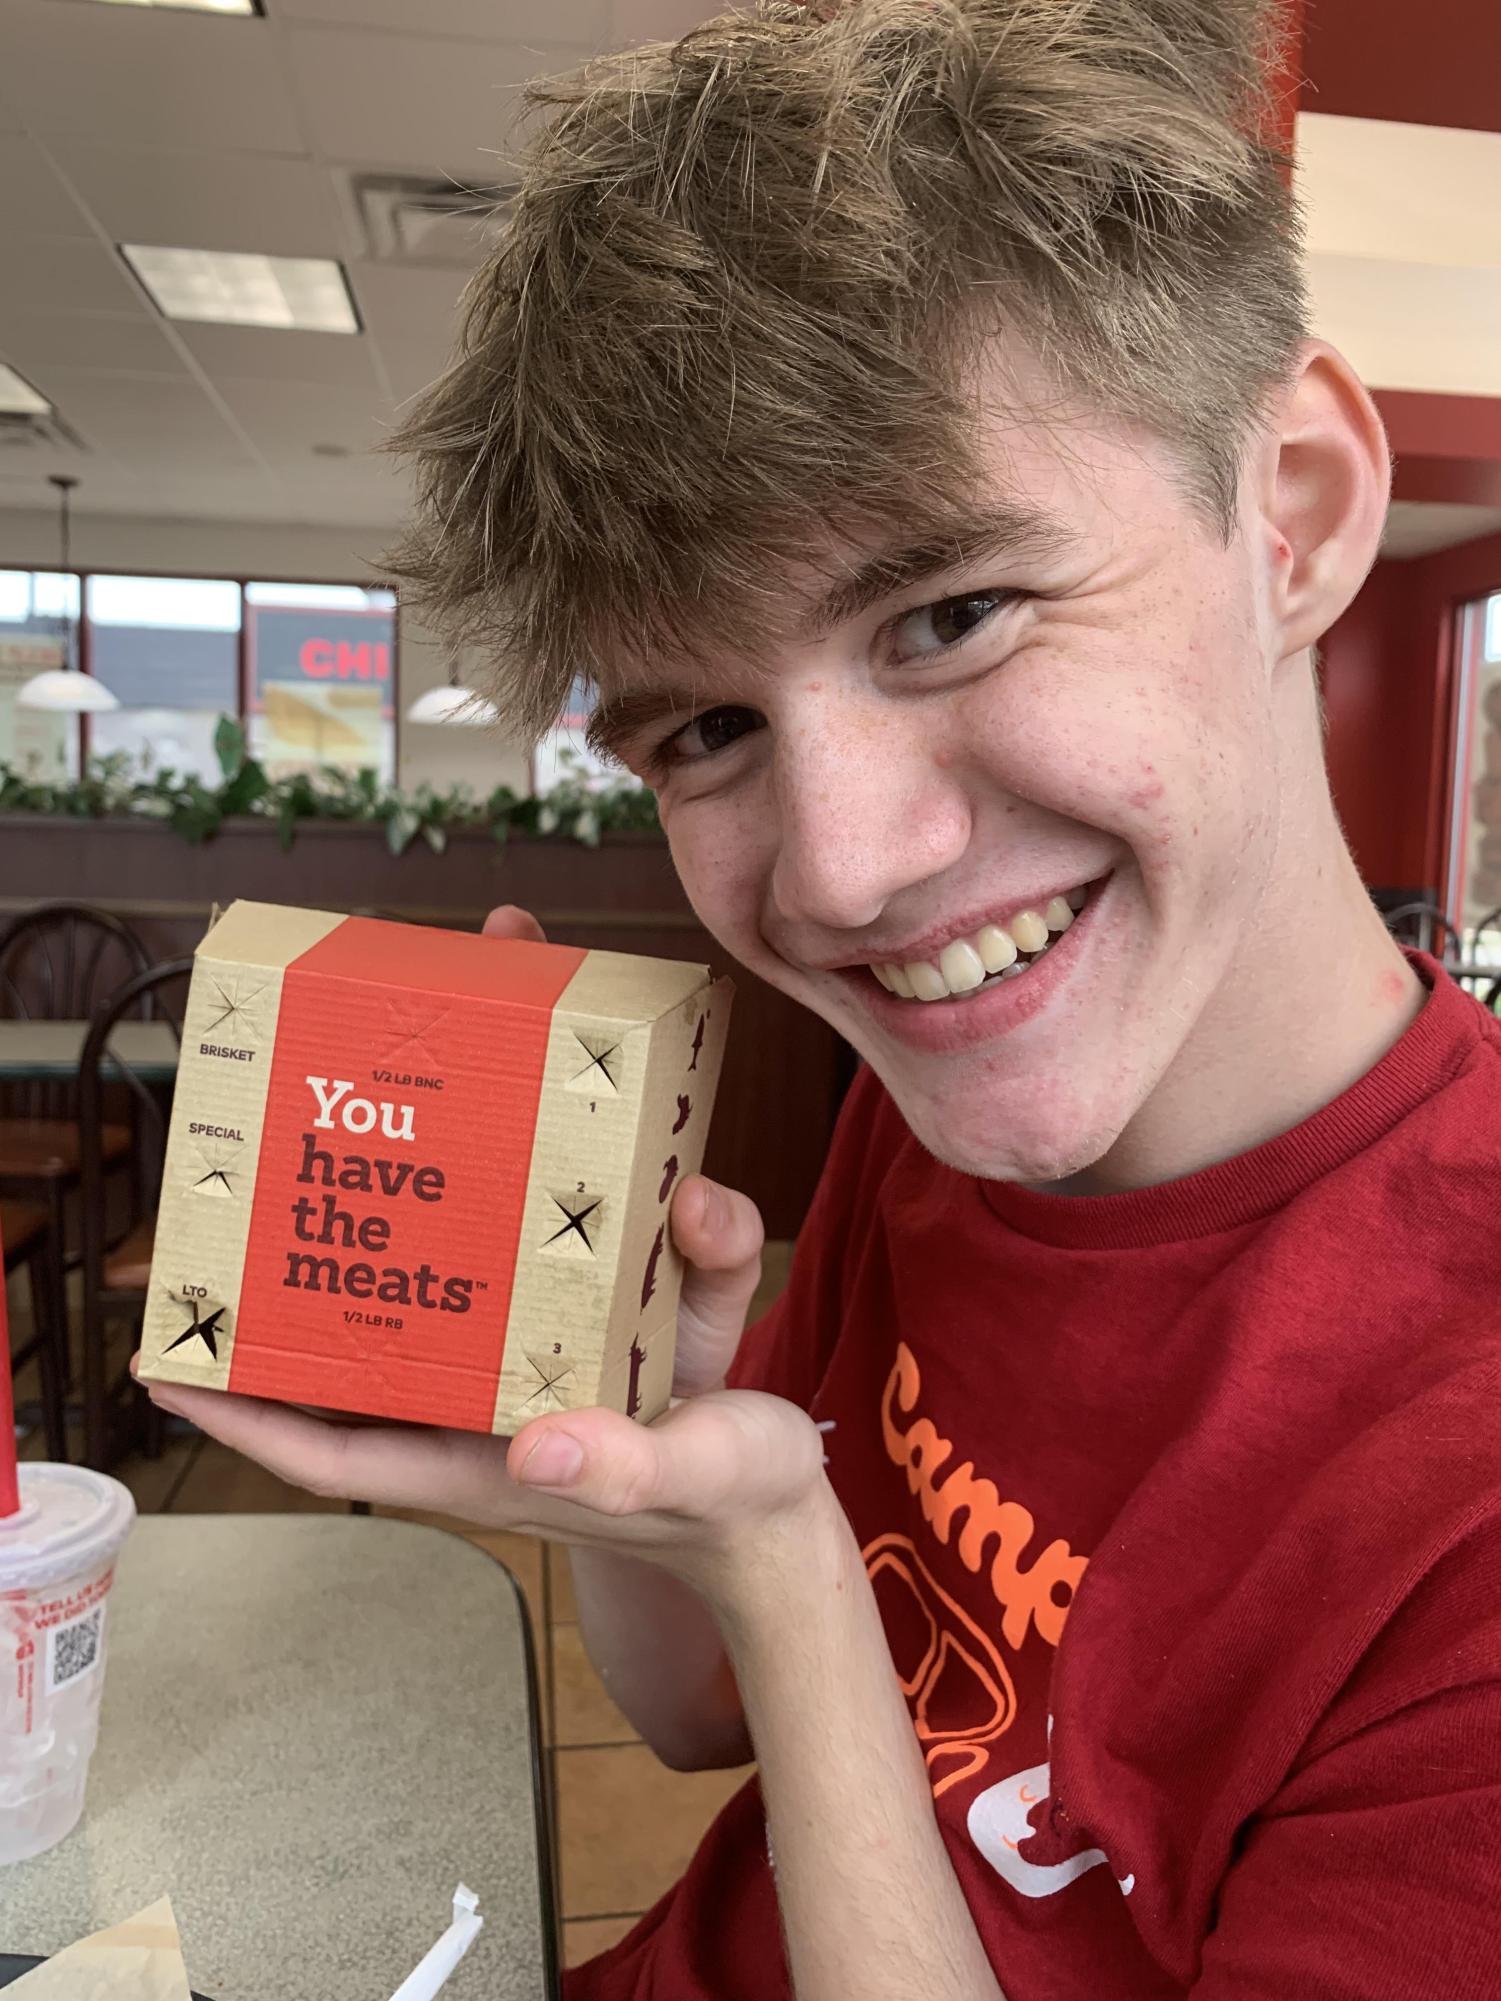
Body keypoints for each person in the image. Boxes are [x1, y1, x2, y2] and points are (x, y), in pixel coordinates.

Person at [141, 3, 1501, 1995]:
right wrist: (621, 1404)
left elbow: (773, 1622)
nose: (844, 870)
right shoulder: (941, 1111)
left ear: (1287, 506)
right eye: (704, 726)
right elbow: (697, 1711)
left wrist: (786, 1558)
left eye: (947, 613)